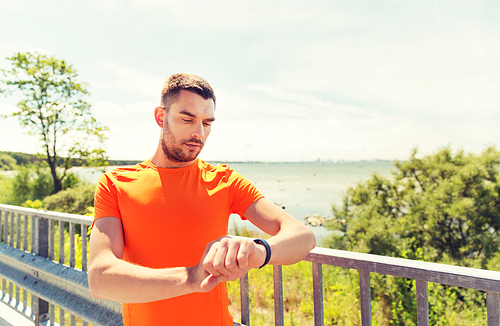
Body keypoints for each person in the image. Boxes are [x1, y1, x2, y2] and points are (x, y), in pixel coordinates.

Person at [88, 73, 316, 326]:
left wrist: (258, 250)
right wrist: (192, 278)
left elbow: (303, 236)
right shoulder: (115, 183)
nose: (199, 133)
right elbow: (100, 278)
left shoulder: (224, 180)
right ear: (161, 117)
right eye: (188, 119)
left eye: (207, 123)